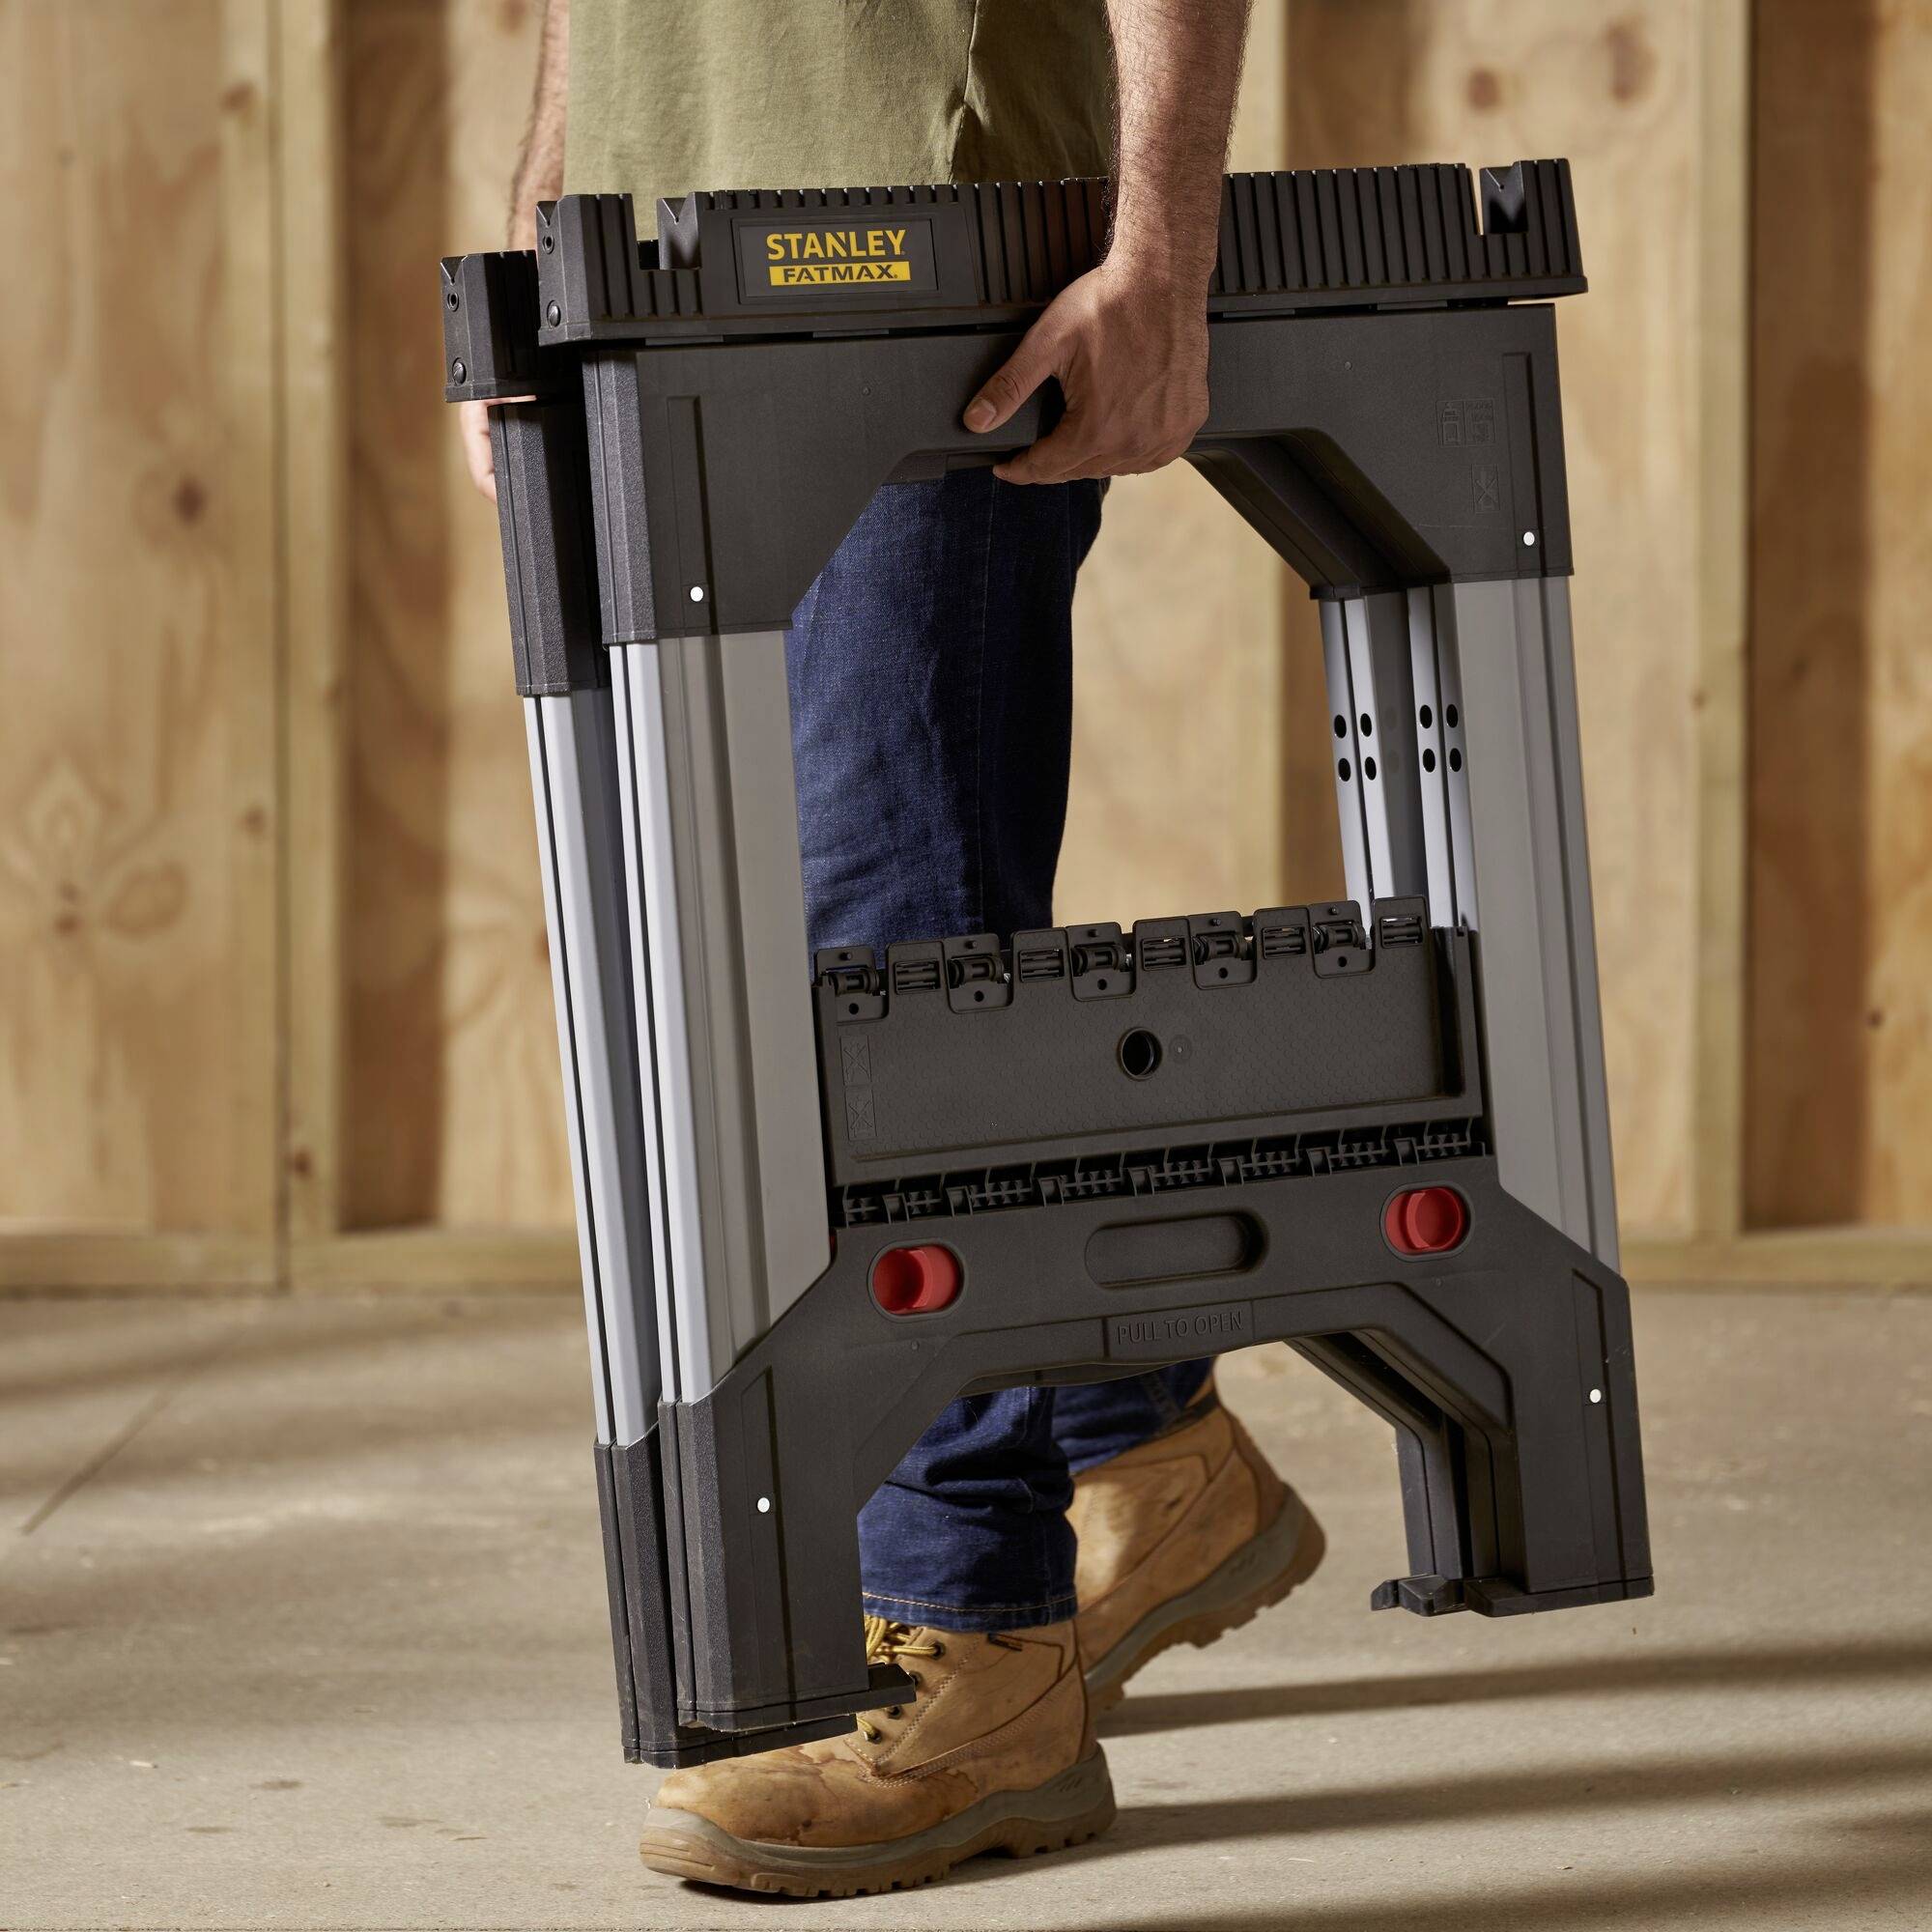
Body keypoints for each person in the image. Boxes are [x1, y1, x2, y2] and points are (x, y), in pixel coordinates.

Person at [460, 0, 1324, 1899]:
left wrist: (1160, 255)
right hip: (657, 267)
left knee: (892, 965)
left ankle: (977, 1639)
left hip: (931, 264)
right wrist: (542, 229)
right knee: (782, 982)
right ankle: (1141, 1447)